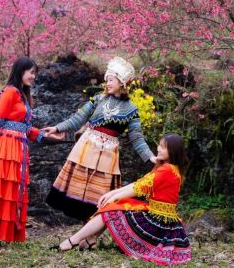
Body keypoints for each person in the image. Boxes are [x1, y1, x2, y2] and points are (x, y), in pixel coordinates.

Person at [43, 56, 156, 221]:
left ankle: (90, 234)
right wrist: (57, 127)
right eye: (107, 80)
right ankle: (83, 232)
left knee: (98, 195)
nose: (107, 83)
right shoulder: (98, 99)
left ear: (122, 82)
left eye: (111, 80)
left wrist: (150, 157)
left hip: (107, 155)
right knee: (79, 190)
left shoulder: (131, 110)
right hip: (86, 149)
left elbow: (137, 139)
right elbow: (78, 118)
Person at [57, 133, 191, 266]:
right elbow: (139, 183)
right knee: (116, 204)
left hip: (159, 222)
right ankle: (89, 240)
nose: (158, 149)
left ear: (173, 151)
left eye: (163, 147)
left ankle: (73, 241)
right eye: (160, 146)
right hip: (161, 217)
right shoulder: (169, 168)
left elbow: (139, 187)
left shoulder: (167, 169)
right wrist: (113, 193)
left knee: (112, 207)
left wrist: (113, 196)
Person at [0, 56, 47, 250]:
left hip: (17, 148)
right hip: (4, 147)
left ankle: (0, 235)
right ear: (20, 71)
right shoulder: (10, 92)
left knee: (9, 192)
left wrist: (46, 135)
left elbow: (26, 129)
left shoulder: (24, 96)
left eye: (35, 73)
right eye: (31, 72)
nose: (33, 76)